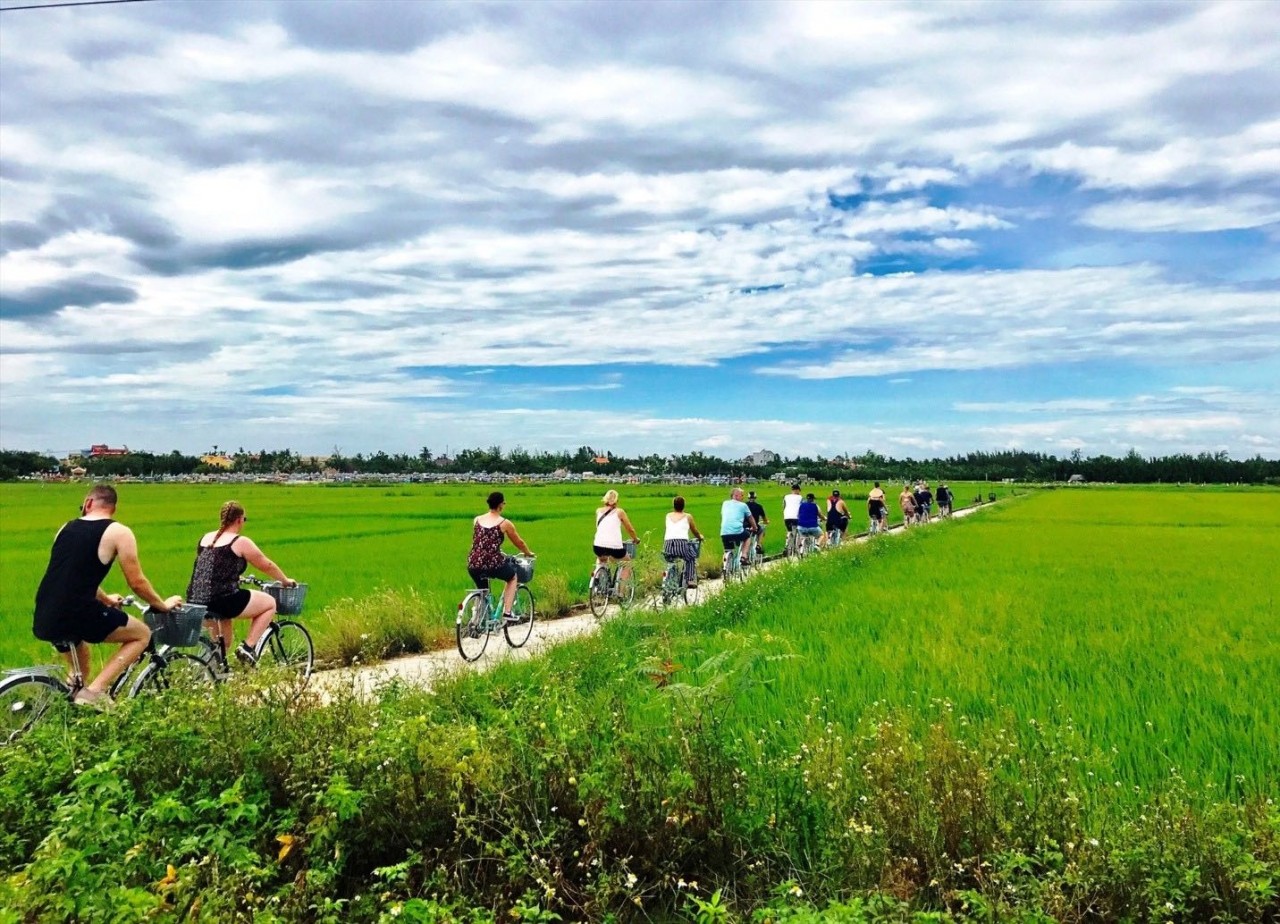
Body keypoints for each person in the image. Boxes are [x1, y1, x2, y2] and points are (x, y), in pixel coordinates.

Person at [32, 484, 180, 707]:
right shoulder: (119, 532)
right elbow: (137, 582)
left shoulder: (66, 528)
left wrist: (107, 600)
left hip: (45, 611)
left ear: (89, 503)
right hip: (78, 611)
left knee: (80, 671)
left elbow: (71, 576)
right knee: (142, 634)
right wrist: (162, 605)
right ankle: (96, 693)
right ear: (113, 508)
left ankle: (68, 710)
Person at [186, 500, 297, 665]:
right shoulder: (240, 541)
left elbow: (212, 569)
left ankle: (212, 678)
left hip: (196, 600)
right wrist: (285, 580)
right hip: (223, 600)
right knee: (269, 603)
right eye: (244, 519)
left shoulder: (205, 538)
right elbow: (265, 564)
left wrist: (236, 578)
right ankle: (248, 647)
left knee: (221, 646)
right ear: (239, 520)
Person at [467, 491, 534, 621]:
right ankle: (507, 612)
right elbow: (519, 542)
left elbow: (478, 541)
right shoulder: (504, 523)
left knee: (482, 590)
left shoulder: (477, 520)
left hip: (473, 562)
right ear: (500, 505)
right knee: (512, 577)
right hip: (492, 563)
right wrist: (528, 553)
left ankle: (477, 621)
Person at [594, 489, 640, 584]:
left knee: (601, 559)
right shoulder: (620, 512)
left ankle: (597, 577)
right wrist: (635, 539)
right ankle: (620, 592)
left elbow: (599, 528)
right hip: (614, 547)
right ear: (616, 500)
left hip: (598, 546)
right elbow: (630, 529)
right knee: (627, 563)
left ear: (605, 499)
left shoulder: (598, 511)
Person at [663, 496, 705, 589]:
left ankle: (670, 578)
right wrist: (700, 537)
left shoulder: (668, 515)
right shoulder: (688, 516)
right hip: (681, 544)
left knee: (671, 561)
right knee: (691, 557)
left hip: (667, 545)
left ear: (673, 506)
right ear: (683, 506)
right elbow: (694, 531)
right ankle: (690, 580)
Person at [720, 487, 758, 564]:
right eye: (742, 495)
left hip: (724, 532)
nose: (743, 497)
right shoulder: (743, 505)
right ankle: (744, 556)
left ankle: (725, 565)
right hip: (737, 531)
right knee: (747, 537)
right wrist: (755, 527)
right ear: (736, 495)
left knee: (728, 549)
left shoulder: (725, 503)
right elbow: (750, 518)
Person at [745, 490, 768, 555]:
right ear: (755, 498)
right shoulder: (759, 506)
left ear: (748, 498)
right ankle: (759, 544)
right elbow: (764, 519)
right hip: (754, 526)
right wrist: (766, 521)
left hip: (745, 526)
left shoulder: (744, 505)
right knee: (762, 530)